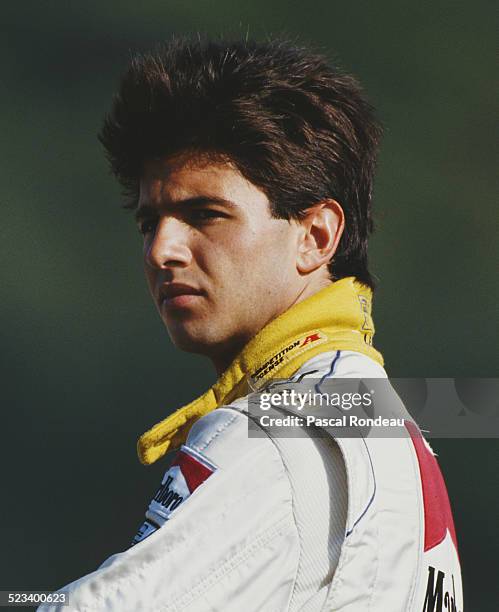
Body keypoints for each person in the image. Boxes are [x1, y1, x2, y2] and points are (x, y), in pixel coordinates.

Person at [40, 38, 462, 611]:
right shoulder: (371, 409)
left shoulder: (286, 428)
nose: (162, 249)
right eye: (149, 222)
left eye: (204, 214)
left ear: (315, 237)